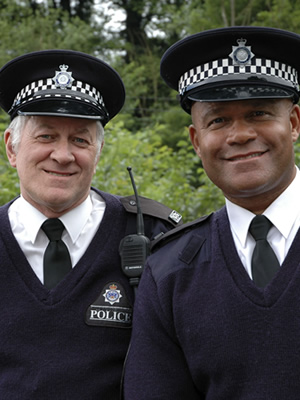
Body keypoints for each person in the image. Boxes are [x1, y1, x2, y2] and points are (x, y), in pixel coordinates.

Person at [123, 26, 300, 399]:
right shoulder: (169, 271)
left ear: (294, 123)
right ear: (195, 141)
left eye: (259, 112)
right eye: (218, 120)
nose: (240, 135)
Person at [0, 49, 182, 399]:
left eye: (80, 140)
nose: (63, 155)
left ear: (98, 153)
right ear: (11, 148)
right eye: (46, 136)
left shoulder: (152, 235)